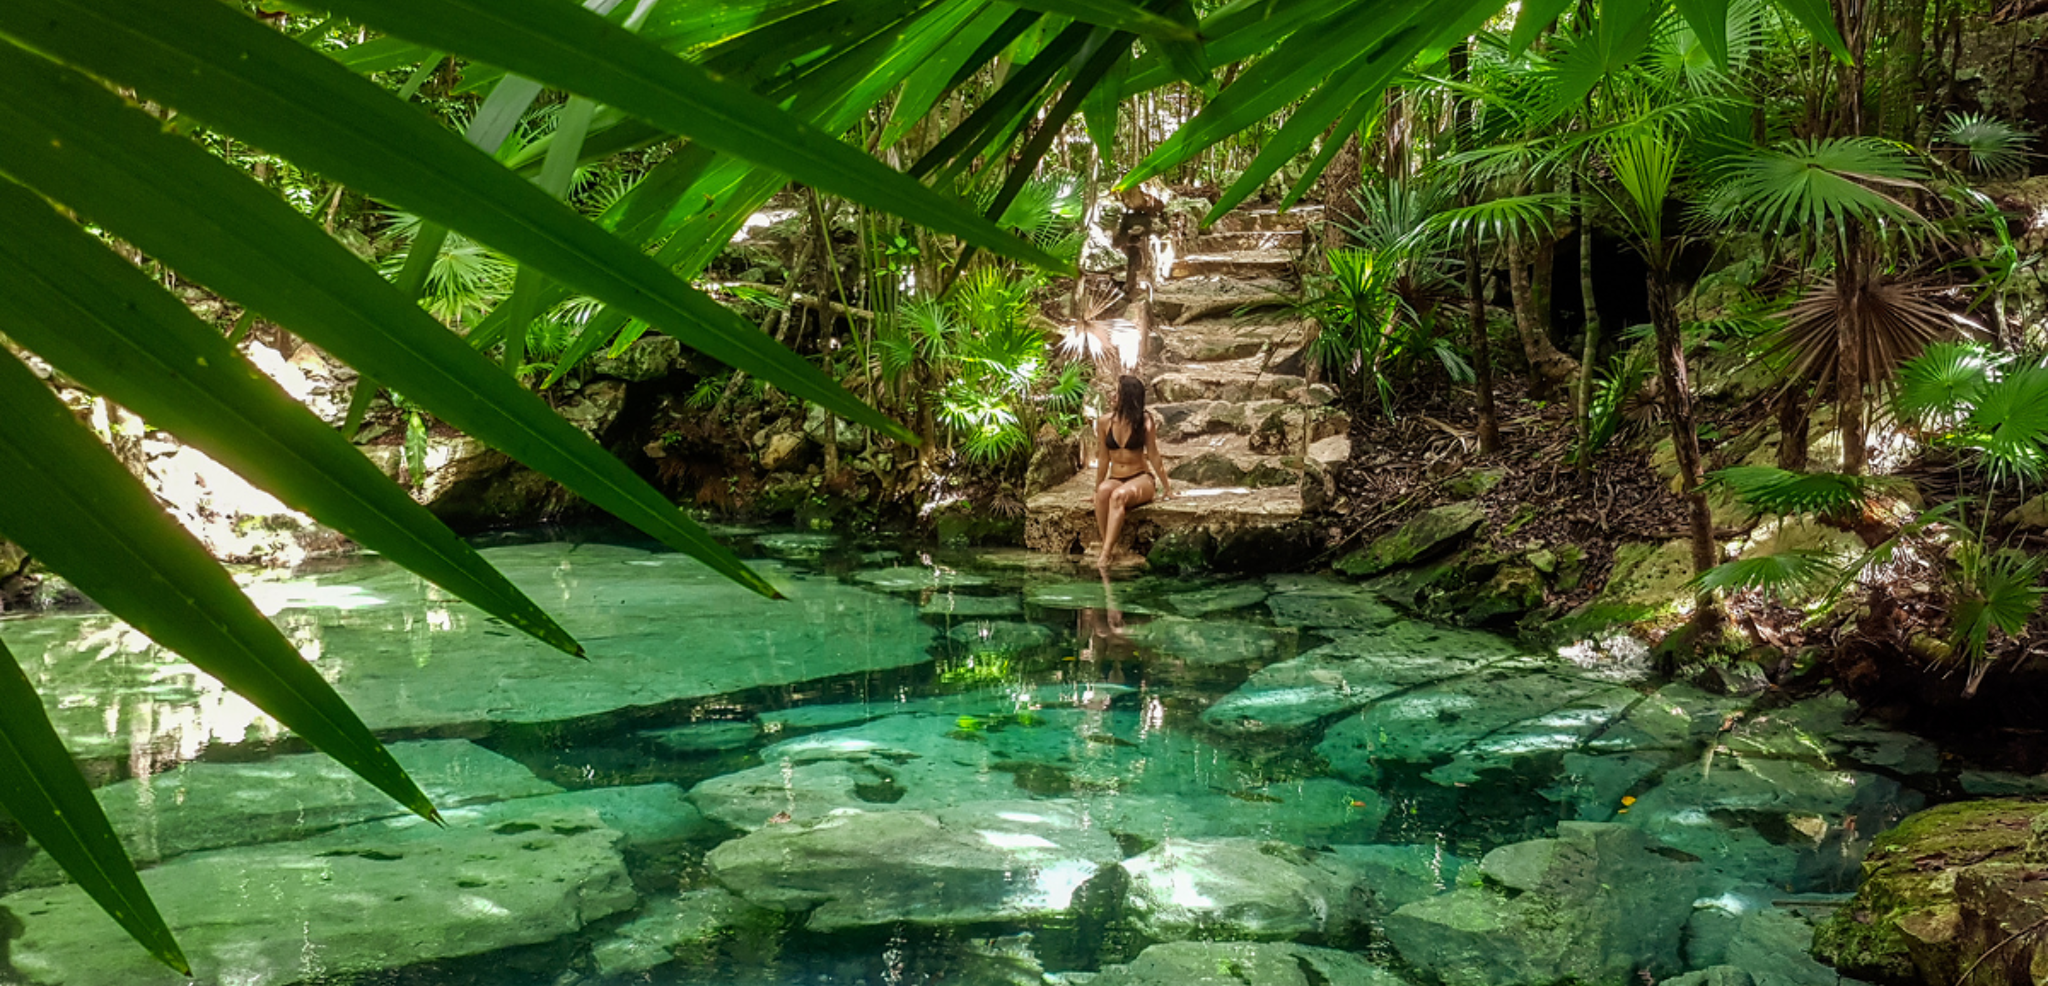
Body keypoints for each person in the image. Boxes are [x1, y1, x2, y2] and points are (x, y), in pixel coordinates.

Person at [1092, 374, 1170, 569]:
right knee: (1102, 494)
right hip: (1116, 477)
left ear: (1127, 396)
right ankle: (1108, 545)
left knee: (1118, 497)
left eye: (1117, 393)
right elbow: (1103, 458)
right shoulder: (1104, 422)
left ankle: (1105, 554)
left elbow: (1153, 454)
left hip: (1141, 478)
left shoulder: (1144, 421)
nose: (1112, 396)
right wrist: (1096, 487)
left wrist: (1167, 488)